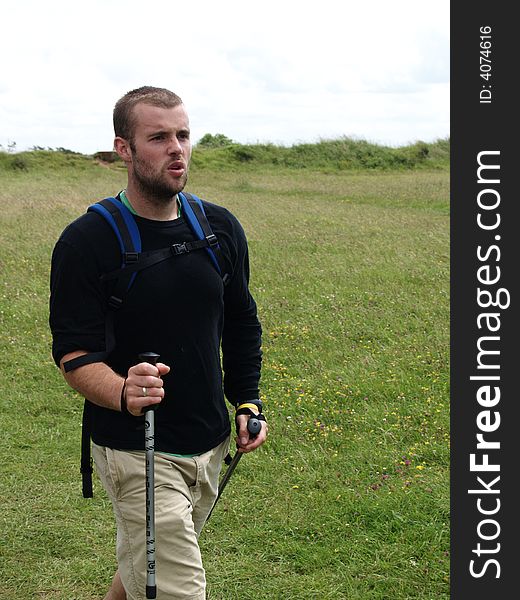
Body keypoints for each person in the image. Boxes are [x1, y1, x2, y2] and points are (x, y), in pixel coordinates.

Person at [49, 86, 266, 600]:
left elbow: (240, 320)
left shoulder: (218, 227)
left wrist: (248, 399)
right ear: (124, 149)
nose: (177, 148)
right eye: (159, 137)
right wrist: (124, 390)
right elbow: (74, 356)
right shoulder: (87, 242)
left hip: (209, 439)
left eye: (183, 135)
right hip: (137, 447)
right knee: (178, 588)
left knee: (144, 564)